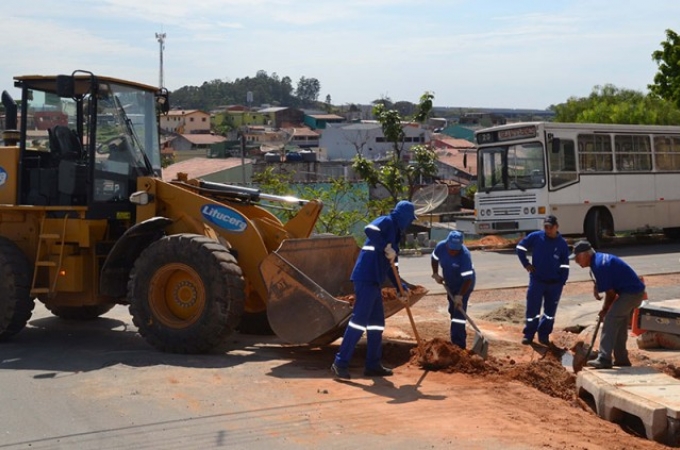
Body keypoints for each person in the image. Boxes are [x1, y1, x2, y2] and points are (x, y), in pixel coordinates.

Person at [331, 200, 417, 380]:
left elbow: (393, 268)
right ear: (403, 216)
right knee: (358, 322)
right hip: (365, 277)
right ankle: (340, 363)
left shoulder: (396, 236)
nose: (410, 223)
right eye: (410, 219)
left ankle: (372, 364)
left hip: (375, 282)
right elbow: (369, 229)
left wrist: (402, 288)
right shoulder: (386, 221)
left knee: (376, 323)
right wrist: (385, 246)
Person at [570, 240, 646, 369]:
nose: (576, 262)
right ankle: (622, 359)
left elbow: (610, 294)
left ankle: (604, 358)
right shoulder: (598, 260)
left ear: (584, 255)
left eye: (577, 258)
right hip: (632, 292)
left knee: (610, 319)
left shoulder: (599, 265)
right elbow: (608, 282)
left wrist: (605, 309)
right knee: (620, 323)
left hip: (631, 294)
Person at [515, 215, 570, 346]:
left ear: (556, 227)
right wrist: (526, 264)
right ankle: (529, 335)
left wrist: (562, 282)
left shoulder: (562, 244)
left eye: (550, 227)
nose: (548, 230)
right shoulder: (536, 237)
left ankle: (544, 335)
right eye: (546, 227)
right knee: (532, 309)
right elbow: (520, 248)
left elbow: (565, 265)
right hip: (537, 281)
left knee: (550, 313)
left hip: (554, 283)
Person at [431, 230, 476, 349]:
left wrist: (460, 296)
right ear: (447, 243)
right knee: (452, 310)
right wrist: (435, 273)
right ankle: (457, 336)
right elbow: (434, 258)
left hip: (464, 286)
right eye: (451, 248)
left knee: (459, 314)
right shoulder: (441, 247)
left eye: (456, 249)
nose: (453, 252)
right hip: (450, 283)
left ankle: (459, 346)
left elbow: (468, 280)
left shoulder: (465, 256)